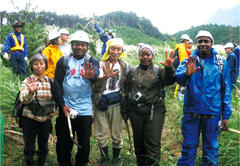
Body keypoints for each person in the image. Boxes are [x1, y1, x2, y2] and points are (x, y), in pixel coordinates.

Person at [176, 30, 232, 166]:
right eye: (200, 41)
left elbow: (226, 90)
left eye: (206, 41)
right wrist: (186, 74)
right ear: (196, 43)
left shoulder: (221, 62)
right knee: (188, 147)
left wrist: (226, 115)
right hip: (191, 112)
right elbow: (178, 78)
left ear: (211, 43)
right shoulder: (189, 61)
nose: (203, 44)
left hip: (213, 113)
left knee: (211, 149)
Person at [123, 43, 176, 166]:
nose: (145, 57)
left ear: (152, 56)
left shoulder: (158, 70)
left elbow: (169, 81)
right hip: (135, 112)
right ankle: (141, 163)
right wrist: (125, 110)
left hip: (154, 110)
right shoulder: (132, 71)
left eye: (148, 54)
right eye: (142, 54)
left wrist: (169, 68)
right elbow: (126, 90)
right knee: (139, 141)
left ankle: (153, 163)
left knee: (152, 142)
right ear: (139, 56)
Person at [53, 30, 100, 166]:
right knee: (63, 140)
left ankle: (81, 163)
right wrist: (62, 105)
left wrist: (92, 77)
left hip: (85, 108)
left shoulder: (92, 61)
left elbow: (97, 77)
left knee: (84, 141)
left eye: (83, 45)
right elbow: (57, 84)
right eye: (77, 44)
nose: (80, 47)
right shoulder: (64, 61)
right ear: (72, 45)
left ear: (87, 46)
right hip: (66, 107)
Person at [93, 38, 130, 166]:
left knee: (116, 133)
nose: (115, 51)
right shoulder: (100, 64)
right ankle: (105, 158)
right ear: (108, 50)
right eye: (112, 48)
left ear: (121, 51)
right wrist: (104, 78)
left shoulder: (125, 66)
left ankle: (116, 158)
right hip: (101, 102)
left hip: (117, 103)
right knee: (101, 133)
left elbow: (128, 85)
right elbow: (95, 85)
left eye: (118, 49)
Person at [19, 53, 55, 166]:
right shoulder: (28, 81)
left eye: (41, 63)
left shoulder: (50, 81)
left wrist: (53, 109)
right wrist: (30, 91)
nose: (39, 66)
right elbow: (23, 99)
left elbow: (54, 98)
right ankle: (29, 163)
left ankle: (41, 163)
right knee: (29, 145)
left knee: (43, 145)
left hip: (45, 119)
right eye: (35, 64)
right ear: (31, 66)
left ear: (45, 65)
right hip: (29, 118)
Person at [174, 34, 190, 100]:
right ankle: (178, 97)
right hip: (179, 68)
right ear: (185, 41)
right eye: (187, 41)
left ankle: (177, 96)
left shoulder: (178, 47)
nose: (188, 43)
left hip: (176, 67)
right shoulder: (182, 48)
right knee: (180, 83)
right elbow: (183, 61)